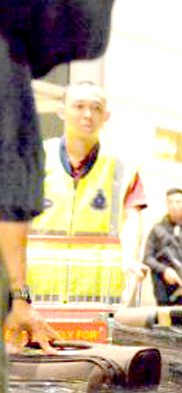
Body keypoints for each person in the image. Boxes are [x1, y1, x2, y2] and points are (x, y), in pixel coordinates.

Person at [0, 1, 119, 351]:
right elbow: (10, 201)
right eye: (79, 106)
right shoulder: (8, 70)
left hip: (91, 309)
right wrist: (19, 295)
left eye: (95, 107)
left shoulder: (118, 167)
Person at [29, 80, 148, 306]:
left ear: (106, 116)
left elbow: (132, 218)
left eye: (96, 108)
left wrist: (129, 258)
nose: (87, 115)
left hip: (100, 300)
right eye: (79, 106)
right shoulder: (35, 158)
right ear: (61, 111)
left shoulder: (123, 166)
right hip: (36, 299)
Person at [143, 187, 182, 305]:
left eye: (178, 202)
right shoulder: (157, 230)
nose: (174, 205)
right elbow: (147, 258)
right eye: (170, 202)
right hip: (164, 289)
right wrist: (164, 270)